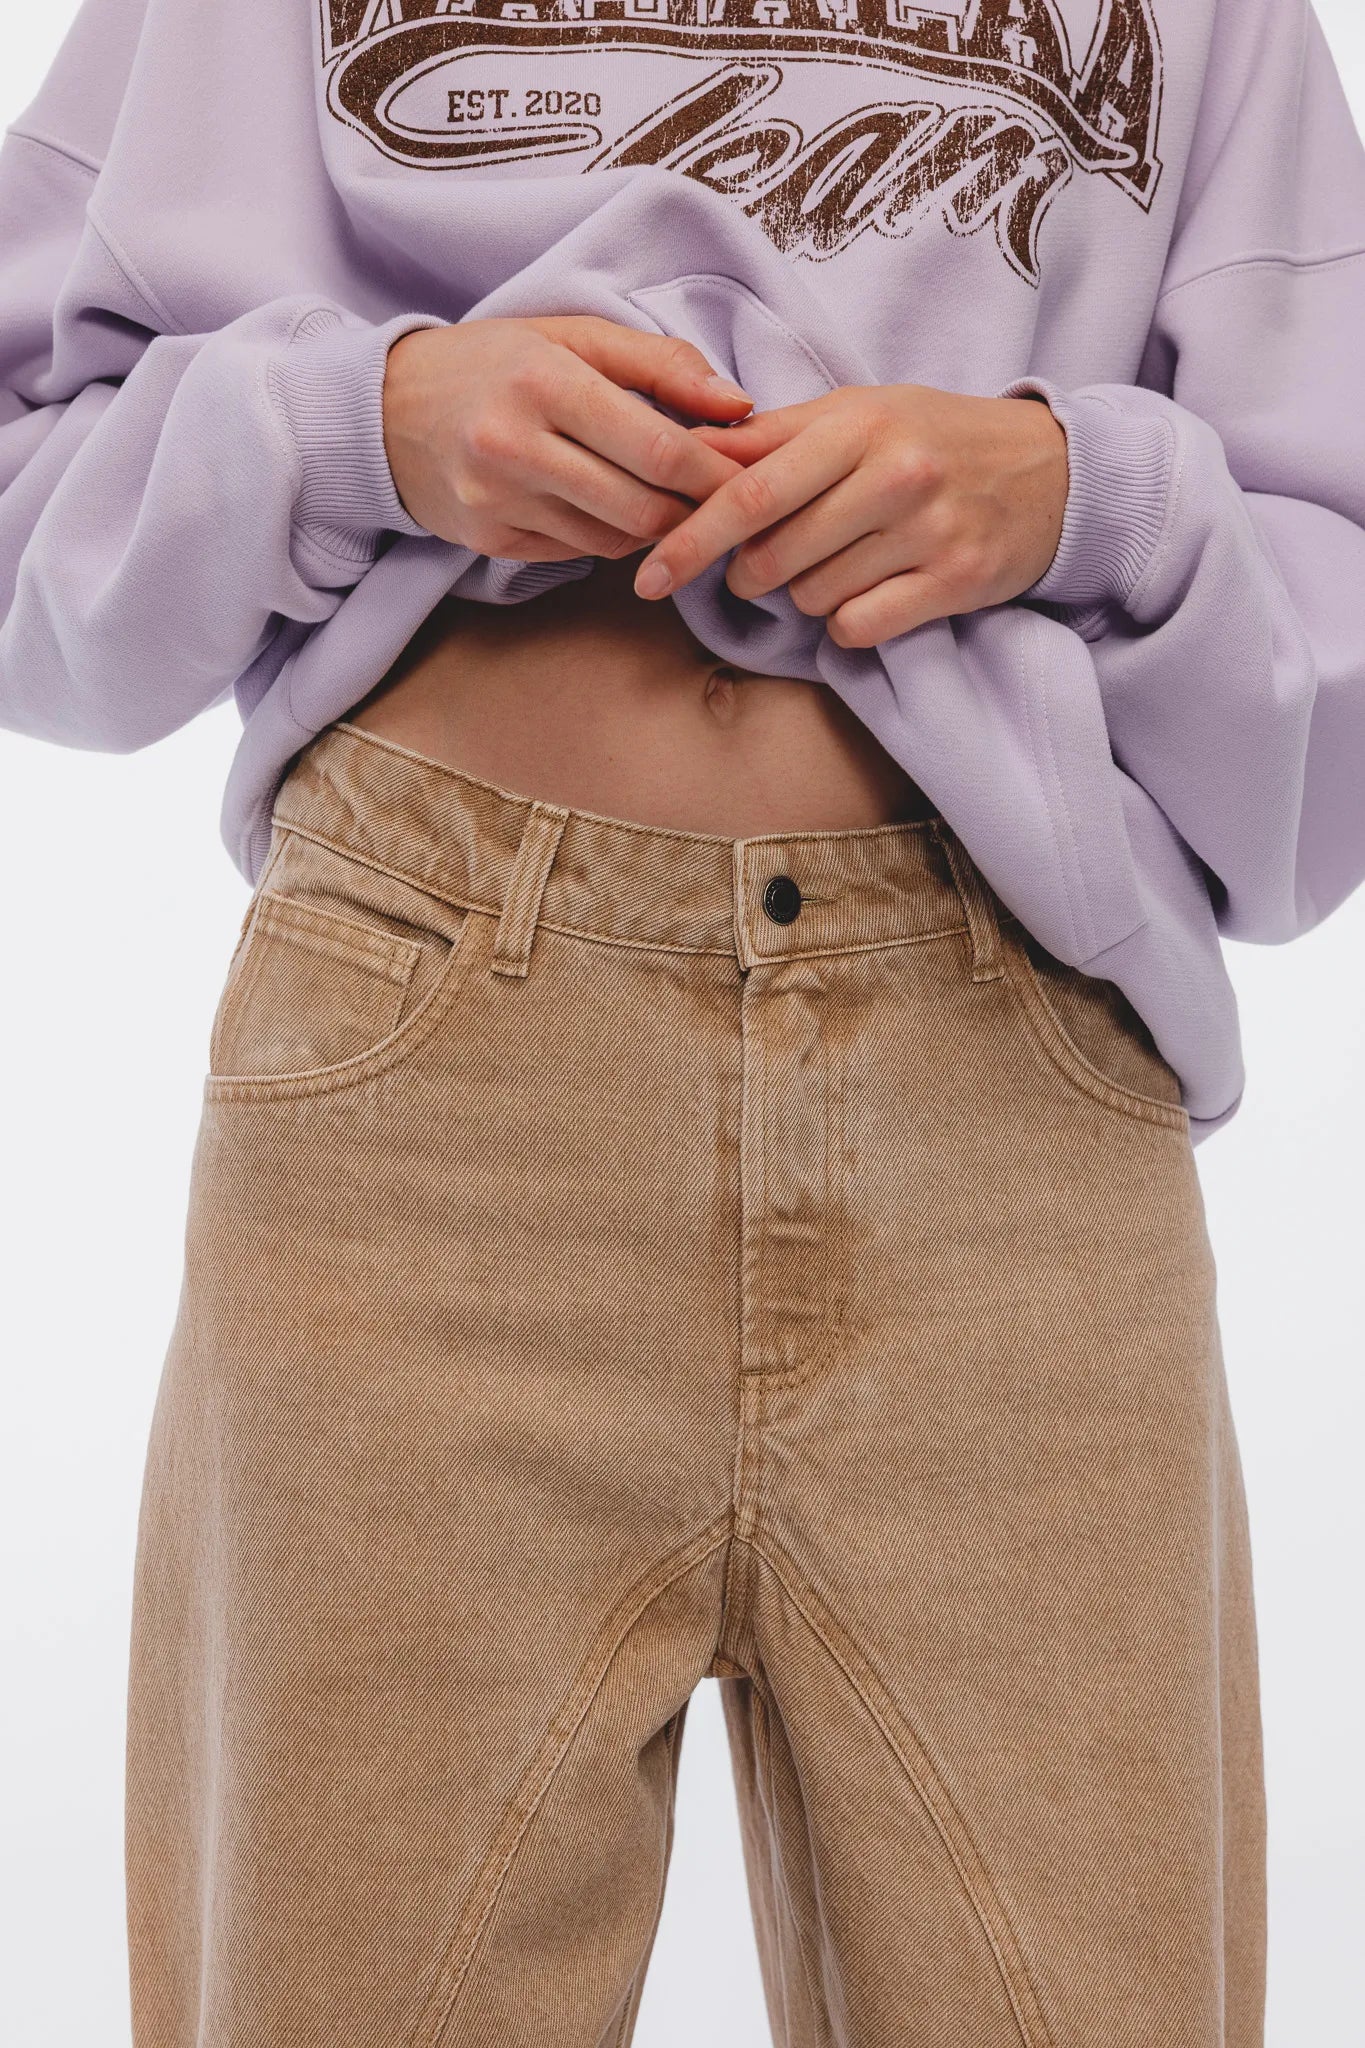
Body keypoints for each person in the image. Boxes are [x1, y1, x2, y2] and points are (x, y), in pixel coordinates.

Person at [3, 0, 1363, 2039]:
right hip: (435, 1105)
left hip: (1003, 1102)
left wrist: (1081, 494)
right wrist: (362, 421)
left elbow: (1327, 702)